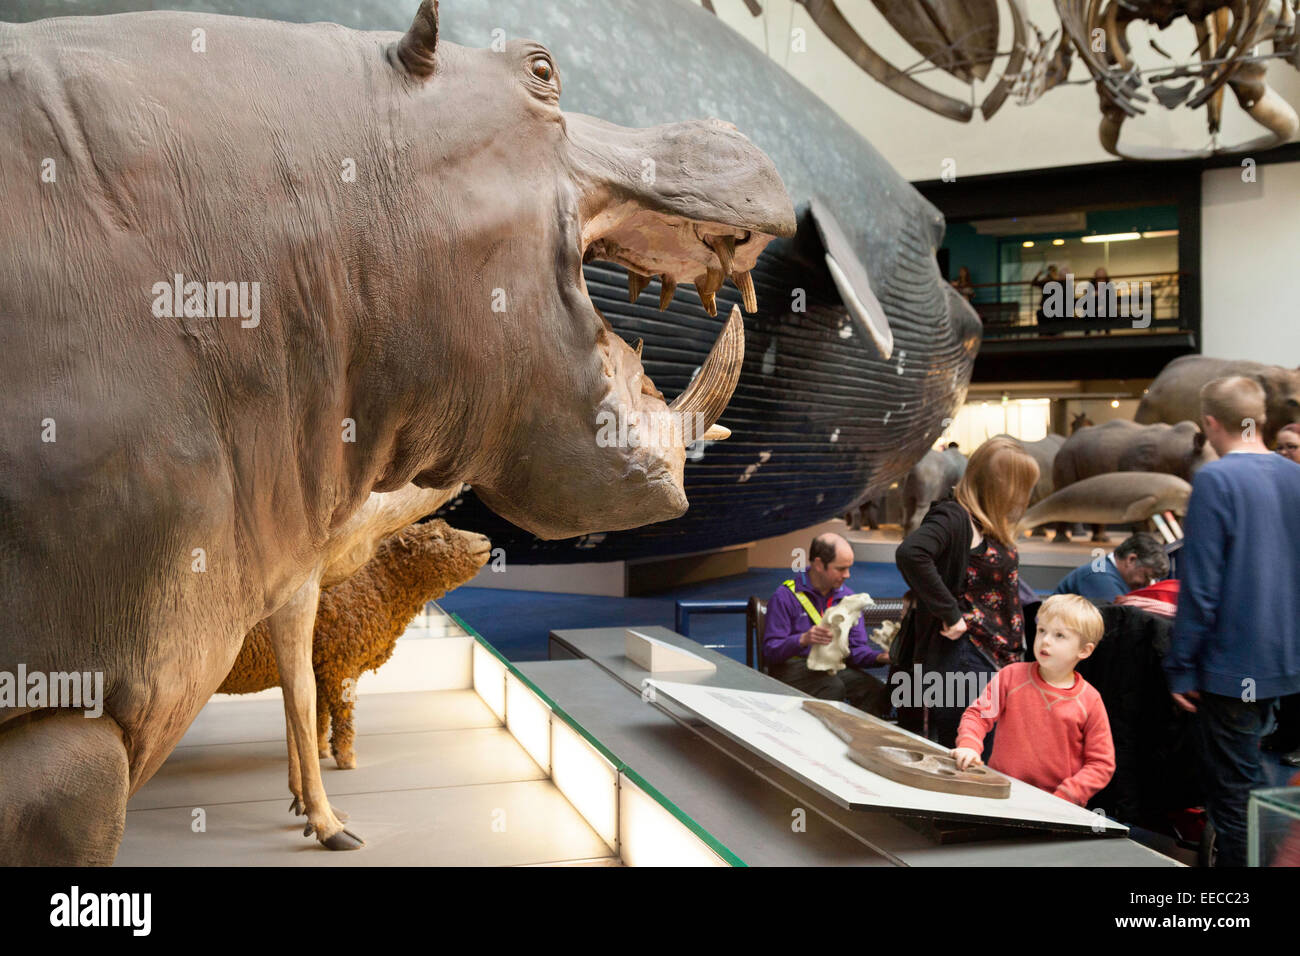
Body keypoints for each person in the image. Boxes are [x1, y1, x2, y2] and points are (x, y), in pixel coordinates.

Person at [1164, 376, 1300, 866]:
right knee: (1257, 783)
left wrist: (1180, 665)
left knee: (1234, 799)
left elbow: (1200, 586)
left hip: (1231, 667)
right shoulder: (1293, 477)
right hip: (1282, 663)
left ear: (1209, 423)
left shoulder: (1216, 480)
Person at [893, 437, 1039, 747]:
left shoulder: (984, 522)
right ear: (1003, 486)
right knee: (968, 755)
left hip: (991, 658)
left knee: (982, 754)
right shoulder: (954, 516)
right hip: (966, 659)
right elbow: (911, 553)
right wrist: (950, 613)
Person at [952, 594, 1116, 806]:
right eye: (1042, 631)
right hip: (1000, 792)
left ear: (1084, 650)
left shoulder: (1090, 700)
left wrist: (1067, 796)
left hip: (1057, 807)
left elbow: (1101, 763)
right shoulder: (1010, 675)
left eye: (1059, 635)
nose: (1045, 640)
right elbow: (978, 714)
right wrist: (969, 745)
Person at [764, 533, 890, 715]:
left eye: (849, 568)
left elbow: (855, 651)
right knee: (832, 686)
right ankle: (821, 740)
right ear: (818, 564)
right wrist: (802, 640)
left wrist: (880, 658)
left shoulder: (846, 598)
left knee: (875, 690)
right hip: (792, 668)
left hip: (832, 667)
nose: (847, 575)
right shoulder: (785, 596)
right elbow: (770, 651)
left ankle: (857, 739)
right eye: (840, 569)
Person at [1051, 532, 1169, 602]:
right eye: (1146, 576)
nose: (1148, 584)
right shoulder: (1098, 576)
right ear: (1131, 560)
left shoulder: (1107, 572)